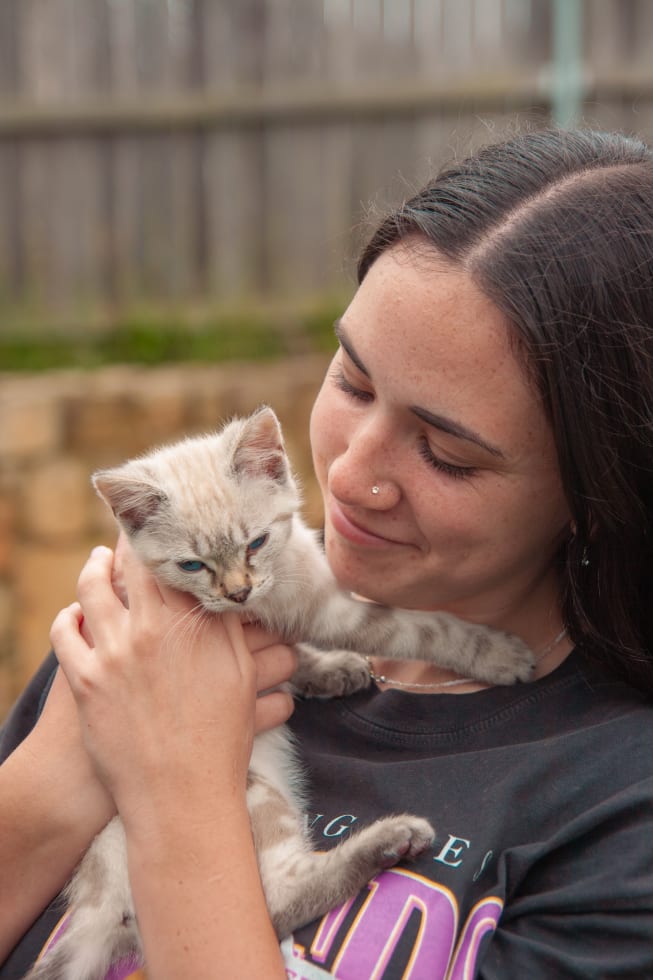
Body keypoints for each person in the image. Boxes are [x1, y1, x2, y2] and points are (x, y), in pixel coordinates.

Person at [2, 126, 653, 979]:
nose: (347, 475)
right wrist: (58, 770)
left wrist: (174, 786)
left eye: (445, 453)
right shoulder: (141, 647)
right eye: (351, 379)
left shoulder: (619, 811)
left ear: (598, 497)